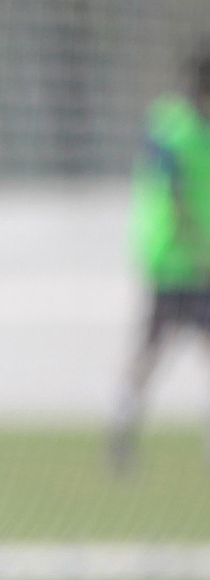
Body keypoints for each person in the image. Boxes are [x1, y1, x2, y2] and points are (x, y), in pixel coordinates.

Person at [111, 48, 210, 474]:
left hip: (197, 261)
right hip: (174, 261)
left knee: (154, 350)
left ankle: (120, 425)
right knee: (151, 350)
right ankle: (120, 426)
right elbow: (170, 189)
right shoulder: (171, 127)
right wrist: (188, 234)